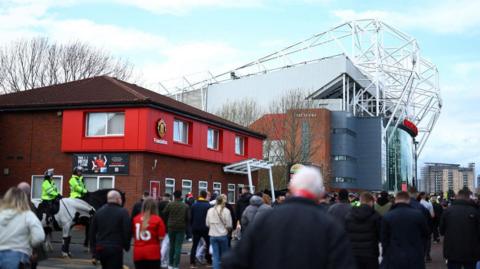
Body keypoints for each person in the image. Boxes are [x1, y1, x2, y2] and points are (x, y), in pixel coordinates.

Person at [222, 166, 356, 269]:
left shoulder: (266, 220)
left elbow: (232, 261)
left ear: (291, 188)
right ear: (320, 193)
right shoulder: (331, 227)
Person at [381, 191, 428, 269]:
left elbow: (384, 239)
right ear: (408, 200)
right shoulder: (418, 215)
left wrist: (386, 255)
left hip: (394, 256)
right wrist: (421, 251)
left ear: (396, 200)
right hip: (415, 256)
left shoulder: (387, 216)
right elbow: (425, 234)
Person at [0, 187, 45, 269]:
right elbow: (39, 237)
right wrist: (30, 245)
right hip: (18, 256)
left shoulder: (1, 213)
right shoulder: (28, 214)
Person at [90, 190, 131, 269]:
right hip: (116, 247)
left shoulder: (98, 212)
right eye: (121, 199)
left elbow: (92, 233)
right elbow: (127, 231)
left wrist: (94, 251)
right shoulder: (123, 212)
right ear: (117, 199)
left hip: (101, 248)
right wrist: (126, 246)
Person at [440, 189, 480, 269]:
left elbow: (442, 231)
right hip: (471, 251)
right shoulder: (475, 212)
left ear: (457, 196)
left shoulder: (448, 211)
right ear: (468, 197)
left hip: (452, 251)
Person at [345, 192, 382, 269]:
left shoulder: (349, 215)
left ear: (360, 201)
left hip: (354, 253)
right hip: (371, 254)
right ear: (371, 202)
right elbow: (381, 235)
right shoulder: (376, 216)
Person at [132, 198, 166, 269]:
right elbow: (161, 237)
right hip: (153, 254)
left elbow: (133, 233)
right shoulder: (158, 219)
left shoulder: (135, 219)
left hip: (138, 253)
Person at [163, 190, 189, 269]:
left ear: (174, 196)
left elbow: (164, 213)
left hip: (171, 227)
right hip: (181, 228)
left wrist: (169, 220)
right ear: (181, 196)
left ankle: (170, 264)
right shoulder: (185, 206)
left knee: (172, 246)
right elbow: (188, 218)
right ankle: (176, 265)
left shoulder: (170, 204)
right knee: (178, 247)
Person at [206, 194, 232, 269]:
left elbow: (207, 224)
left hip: (213, 235)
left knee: (215, 256)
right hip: (223, 235)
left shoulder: (210, 210)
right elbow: (229, 225)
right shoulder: (226, 211)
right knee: (224, 255)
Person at [189, 190, 212, 268]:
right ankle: (208, 261)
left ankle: (192, 263)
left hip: (195, 228)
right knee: (208, 244)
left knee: (194, 246)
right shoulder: (208, 205)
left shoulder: (194, 205)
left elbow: (191, 218)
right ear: (205, 196)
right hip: (205, 228)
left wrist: (192, 226)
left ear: (200, 195)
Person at [418, 192, 434, 262]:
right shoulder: (428, 204)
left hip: (418, 225)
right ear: (424, 196)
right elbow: (432, 215)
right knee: (427, 240)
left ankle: (421, 254)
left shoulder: (417, 204)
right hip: (427, 224)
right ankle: (427, 255)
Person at [157, 193, 171, 268]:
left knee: (162, 244)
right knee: (166, 245)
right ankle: (162, 260)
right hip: (167, 227)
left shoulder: (158, 204)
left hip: (159, 225)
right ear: (168, 198)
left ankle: (164, 261)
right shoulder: (170, 205)